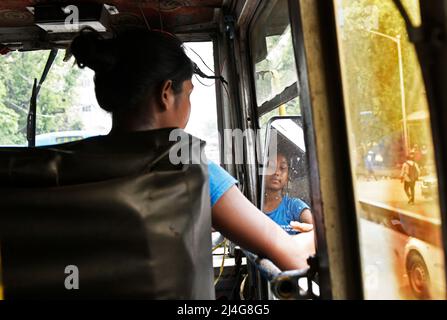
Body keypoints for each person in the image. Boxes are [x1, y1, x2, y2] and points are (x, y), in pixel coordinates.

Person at [70, 28, 315, 271]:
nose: (189, 106)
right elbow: (292, 256)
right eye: (188, 94)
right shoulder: (190, 169)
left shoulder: (72, 165)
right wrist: (320, 234)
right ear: (166, 93)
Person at [263, 152, 313, 235]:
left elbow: (317, 233)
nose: (276, 172)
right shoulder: (251, 204)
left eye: (282, 168)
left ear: (287, 177)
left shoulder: (293, 206)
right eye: (271, 167)